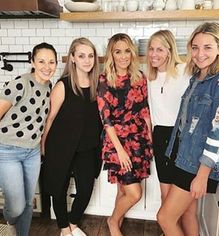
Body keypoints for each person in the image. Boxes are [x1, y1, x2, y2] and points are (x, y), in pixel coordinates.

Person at [146, 29, 219, 235]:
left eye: (207, 47)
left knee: (164, 218)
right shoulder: (197, 78)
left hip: (196, 163)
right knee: (186, 213)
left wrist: (203, 175)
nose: (200, 53)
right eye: (195, 47)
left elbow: (217, 135)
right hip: (182, 155)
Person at [41, 37, 102, 236]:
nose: (87, 60)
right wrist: (43, 145)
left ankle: (73, 222)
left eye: (90, 56)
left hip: (86, 146)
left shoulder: (96, 84)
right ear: (73, 58)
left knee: (85, 189)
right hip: (61, 145)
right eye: (81, 56)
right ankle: (63, 228)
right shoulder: (63, 85)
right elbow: (49, 119)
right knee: (59, 187)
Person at [97, 33, 153, 236]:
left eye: (127, 51)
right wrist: (120, 151)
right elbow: (106, 120)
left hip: (138, 140)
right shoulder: (104, 80)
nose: (123, 56)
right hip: (116, 142)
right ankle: (113, 221)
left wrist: (150, 138)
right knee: (134, 193)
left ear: (132, 53)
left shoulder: (139, 78)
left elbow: (144, 109)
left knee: (123, 189)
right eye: (117, 51)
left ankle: (116, 222)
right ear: (111, 54)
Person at [0, 42, 57, 236]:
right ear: (32, 62)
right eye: (41, 61)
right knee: (16, 207)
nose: (46, 67)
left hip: (32, 152)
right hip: (7, 150)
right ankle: (9, 222)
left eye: (51, 62)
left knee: (27, 203)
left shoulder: (49, 86)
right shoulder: (20, 83)